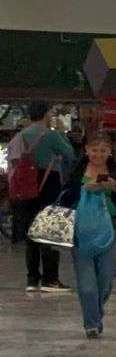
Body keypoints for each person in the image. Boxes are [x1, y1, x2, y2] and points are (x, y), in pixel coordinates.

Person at [59, 132, 116, 338]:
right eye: (94, 150)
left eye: (103, 151)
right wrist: (83, 189)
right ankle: (91, 323)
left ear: (110, 152)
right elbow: (64, 197)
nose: (98, 155)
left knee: (106, 279)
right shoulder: (76, 171)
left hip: (108, 230)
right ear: (86, 150)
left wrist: (115, 189)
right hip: (80, 233)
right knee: (87, 285)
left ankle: (95, 311)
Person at [8, 102, 77, 293]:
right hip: (49, 184)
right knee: (50, 232)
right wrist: (62, 133)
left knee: (32, 233)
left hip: (27, 186)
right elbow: (70, 154)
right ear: (46, 114)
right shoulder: (51, 135)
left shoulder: (21, 135)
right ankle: (50, 279)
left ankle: (32, 279)